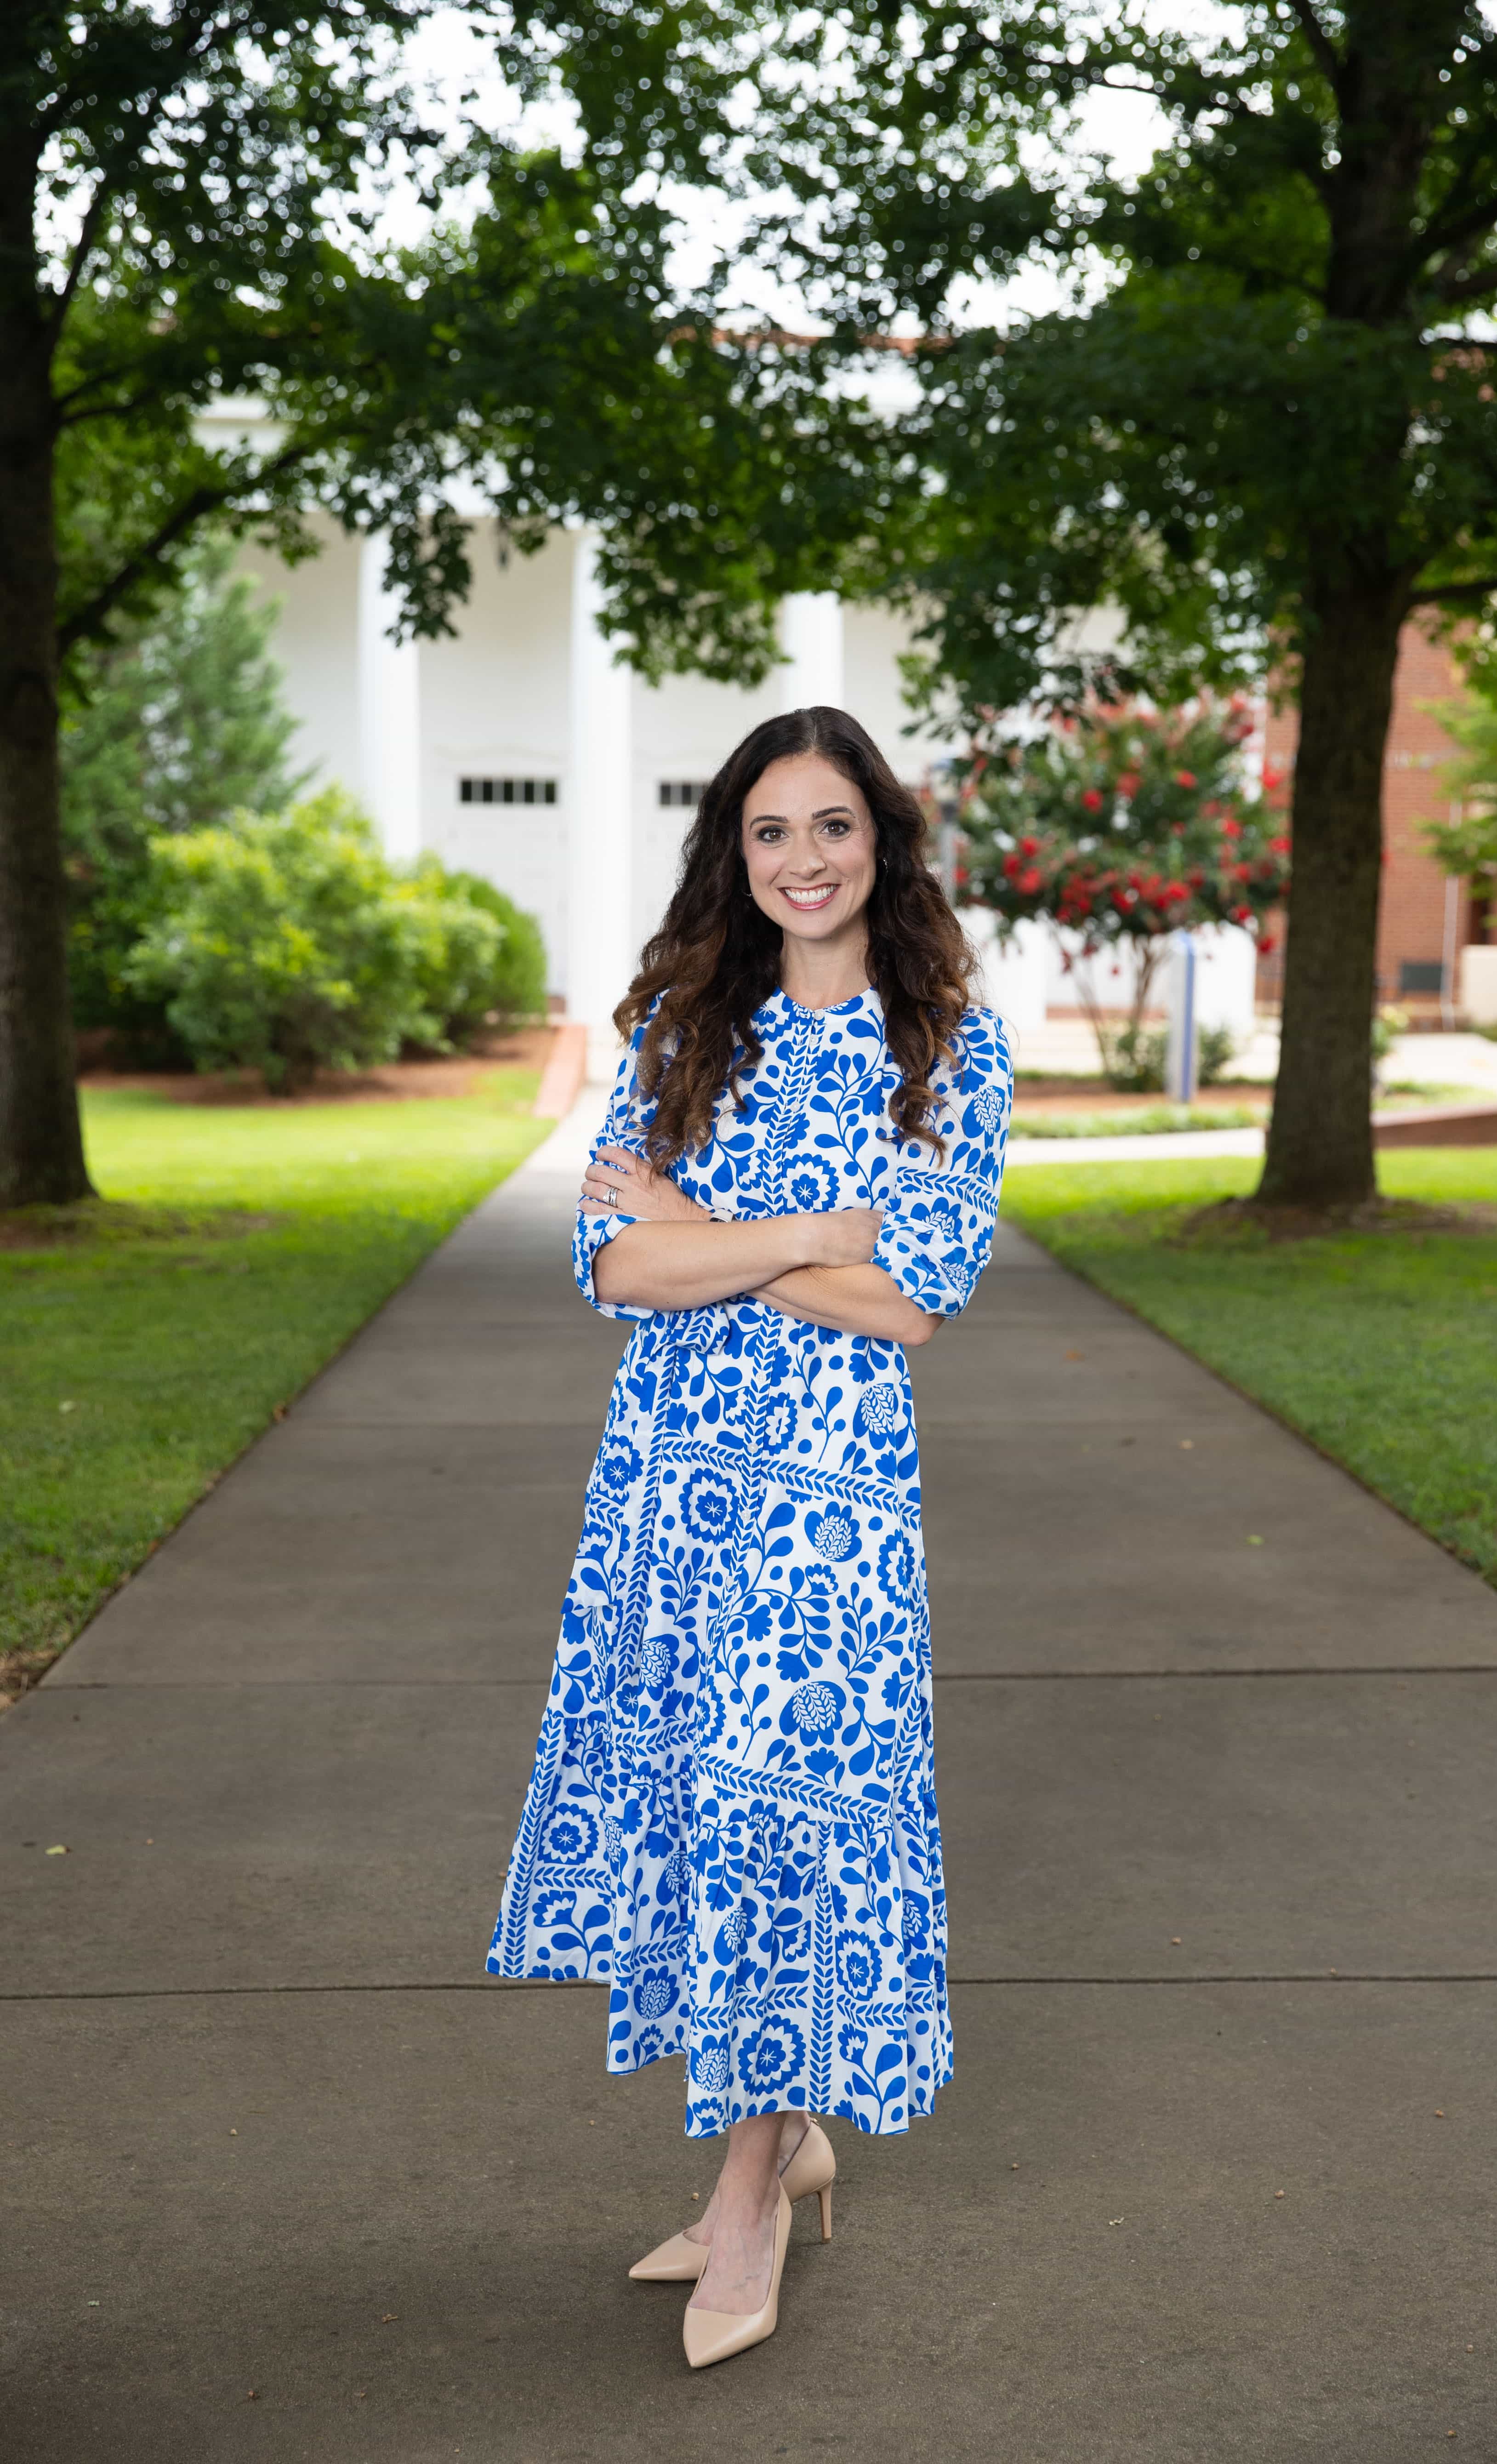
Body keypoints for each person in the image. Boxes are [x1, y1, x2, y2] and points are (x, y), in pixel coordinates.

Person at [488, 704, 1013, 2367]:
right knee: (703, 1824)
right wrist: (803, 1235)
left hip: (833, 1529)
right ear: (736, 849)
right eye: (772, 831)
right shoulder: (676, 1031)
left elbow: (912, 1307)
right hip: (672, 1495)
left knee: (784, 1827)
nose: (803, 859)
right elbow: (613, 1270)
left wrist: (704, 1228)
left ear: (884, 847)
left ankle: (749, 2195)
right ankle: (791, 2136)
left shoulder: (953, 1051)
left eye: (834, 828)